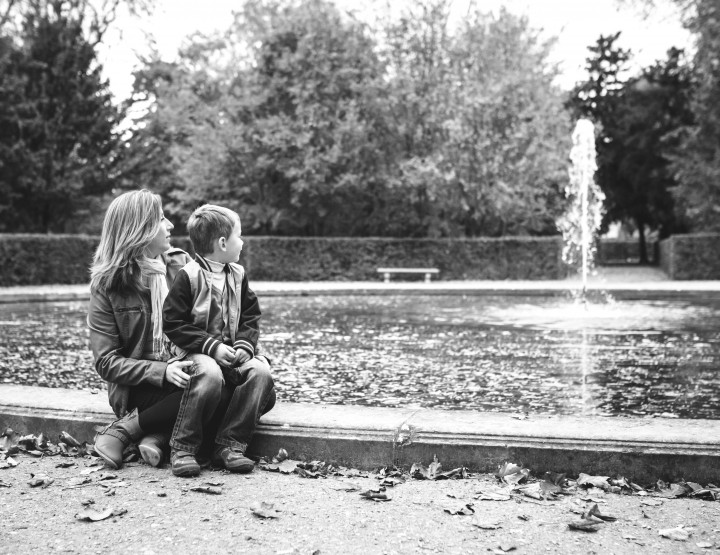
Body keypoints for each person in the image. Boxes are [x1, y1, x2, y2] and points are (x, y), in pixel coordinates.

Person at [87, 191, 274, 478]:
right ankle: (129, 428)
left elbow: (213, 323)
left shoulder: (181, 264)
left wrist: (235, 348)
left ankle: (160, 437)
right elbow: (107, 363)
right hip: (144, 387)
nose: (170, 225)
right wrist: (163, 370)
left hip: (193, 366)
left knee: (260, 389)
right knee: (213, 385)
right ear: (141, 229)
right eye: (161, 219)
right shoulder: (107, 285)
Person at [163, 204, 274, 476]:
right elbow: (173, 323)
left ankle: (230, 444)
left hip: (233, 354)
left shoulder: (238, 275)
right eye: (239, 235)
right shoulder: (187, 276)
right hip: (196, 353)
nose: (243, 241)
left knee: (260, 371)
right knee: (210, 372)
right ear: (223, 243)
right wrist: (211, 347)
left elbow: (250, 314)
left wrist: (244, 346)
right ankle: (184, 447)